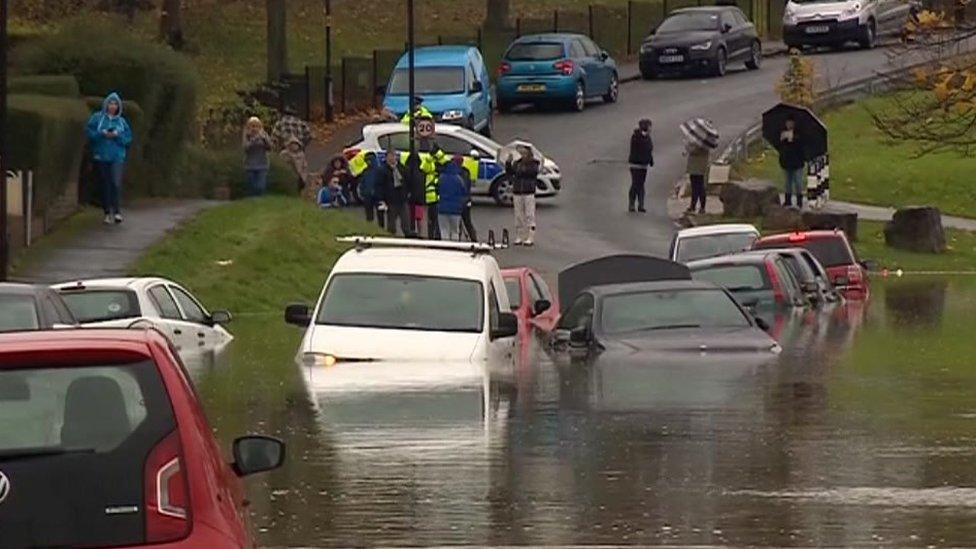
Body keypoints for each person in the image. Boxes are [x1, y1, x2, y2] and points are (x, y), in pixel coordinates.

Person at [85, 92, 133, 224]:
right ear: (106, 104)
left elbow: (128, 139)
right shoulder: (97, 118)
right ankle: (107, 213)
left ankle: (117, 211)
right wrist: (102, 134)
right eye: (111, 103)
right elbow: (90, 133)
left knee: (115, 183)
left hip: (117, 157)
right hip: (101, 156)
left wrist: (117, 136)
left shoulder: (122, 122)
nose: (113, 106)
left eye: (115, 104)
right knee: (104, 184)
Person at [507, 144, 540, 246]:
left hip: (528, 191)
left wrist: (522, 169)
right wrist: (508, 163)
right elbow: (510, 173)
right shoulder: (517, 163)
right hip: (517, 191)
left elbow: (531, 173)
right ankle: (519, 235)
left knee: (529, 214)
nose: (523, 154)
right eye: (522, 152)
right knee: (518, 214)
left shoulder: (534, 163)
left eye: (525, 152)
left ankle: (530, 236)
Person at [437, 157, 469, 241]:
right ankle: (454, 246)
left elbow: (437, 190)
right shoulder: (459, 179)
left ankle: (445, 246)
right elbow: (464, 192)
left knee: (444, 230)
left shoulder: (441, 178)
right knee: (455, 230)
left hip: (443, 208)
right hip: (456, 209)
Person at [382, 149, 412, 236]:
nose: (391, 158)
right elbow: (381, 185)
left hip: (402, 199)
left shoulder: (403, 169)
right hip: (391, 200)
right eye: (389, 156)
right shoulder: (383, 170)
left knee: (405, 222)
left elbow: (409, 182)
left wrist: (408, 192)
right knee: (391, 224)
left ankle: (408, 238)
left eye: (393, 156)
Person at [779, 117, 806, 209]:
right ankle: (788, 200)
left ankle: (799, 201)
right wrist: (783, 140)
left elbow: (801, 146)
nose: (789, 125)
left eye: (790, 123)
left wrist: (792, 139)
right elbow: (781, 149)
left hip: (797, 162)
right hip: (787, 162)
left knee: (798, 182)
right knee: (787, 183)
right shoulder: (783, 133)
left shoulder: (799, 134)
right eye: (787, 123)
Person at [628, 118, 654, 213]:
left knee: (641, 184)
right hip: (635, 165)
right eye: (649, 126)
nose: (651, 129)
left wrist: (650, 160)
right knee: (635, 184)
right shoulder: (636, 137)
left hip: (644, 165)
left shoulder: (648, 137)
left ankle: (641, 205)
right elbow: (642, 148)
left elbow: (649, 150)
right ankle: (631, 203)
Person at [242, 117, 272, 196]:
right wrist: (254, 139)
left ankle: (260, 200)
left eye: (256, 126)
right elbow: (245, 148)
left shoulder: (264, 135)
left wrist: (264, 139)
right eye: (252, 126)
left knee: (260, 186)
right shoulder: (247, 136)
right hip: (250, 165)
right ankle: (252, 201)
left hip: (262, 164)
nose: (254, 128)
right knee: (252, 187)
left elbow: (270, 147)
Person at [358, 152, 387, 228]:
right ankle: (370, 228)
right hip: (368, 195)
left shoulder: (380, 170)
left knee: (380, 215)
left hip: (379, 196)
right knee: (369, 215)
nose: (368, 162)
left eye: (370, 160)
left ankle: (381, 229)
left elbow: (384, 183)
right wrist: (363, 192)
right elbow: (362, 183)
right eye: (367, 161)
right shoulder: (365, 171)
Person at [685, 141, 711, 214]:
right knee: (697, 187)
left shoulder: (701, 144)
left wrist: (687, 145)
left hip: (696, 167)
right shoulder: (707, 143)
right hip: (699, 167)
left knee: (698, 187)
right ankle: (695, 206)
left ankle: (699, 207)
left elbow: (693, 150)